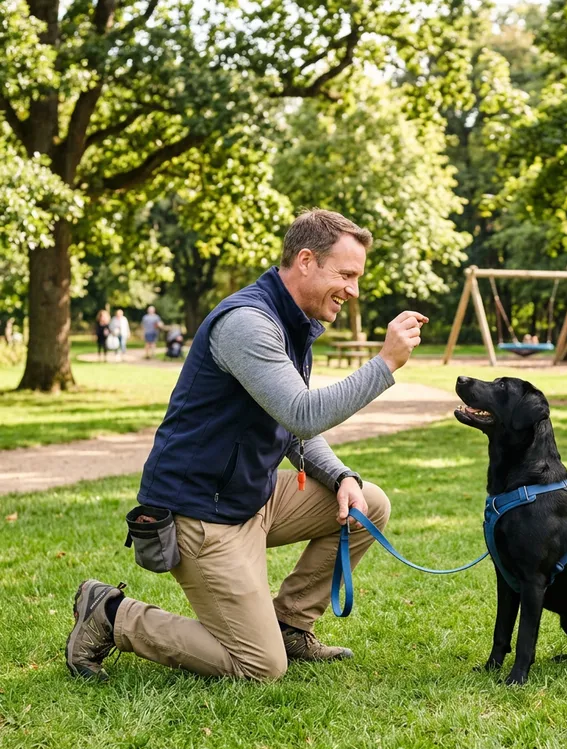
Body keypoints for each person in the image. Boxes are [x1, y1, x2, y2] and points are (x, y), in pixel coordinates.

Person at [66, 209, 428, 682]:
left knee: (367, 503)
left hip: (250, 496)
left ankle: (290, 625)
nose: (353, 289)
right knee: (259, 666)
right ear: (305, 261)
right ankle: (111, 614)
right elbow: (304, 412)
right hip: (202, 514)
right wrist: (385, 364)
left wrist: (340, 477)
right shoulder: (248, 324)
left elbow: (292, 427)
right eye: (346, 274)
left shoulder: (293, 322)